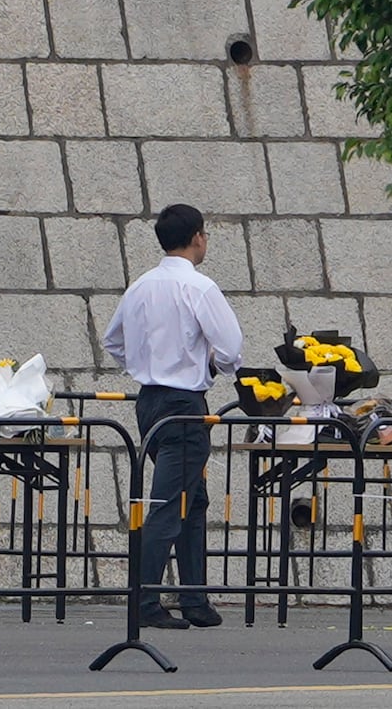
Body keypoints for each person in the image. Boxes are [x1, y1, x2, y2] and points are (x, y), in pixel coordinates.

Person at [103, 203, 243, 630]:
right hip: (185, 403)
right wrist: (213, 367)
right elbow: (232, 348)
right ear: (198, 236)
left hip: (150, 401)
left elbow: (113, 341)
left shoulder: (141, 286)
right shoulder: (198, 288)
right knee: (169, 503)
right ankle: (144, 599)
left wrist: (147, 362)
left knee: (191, 499)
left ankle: (194, 597)